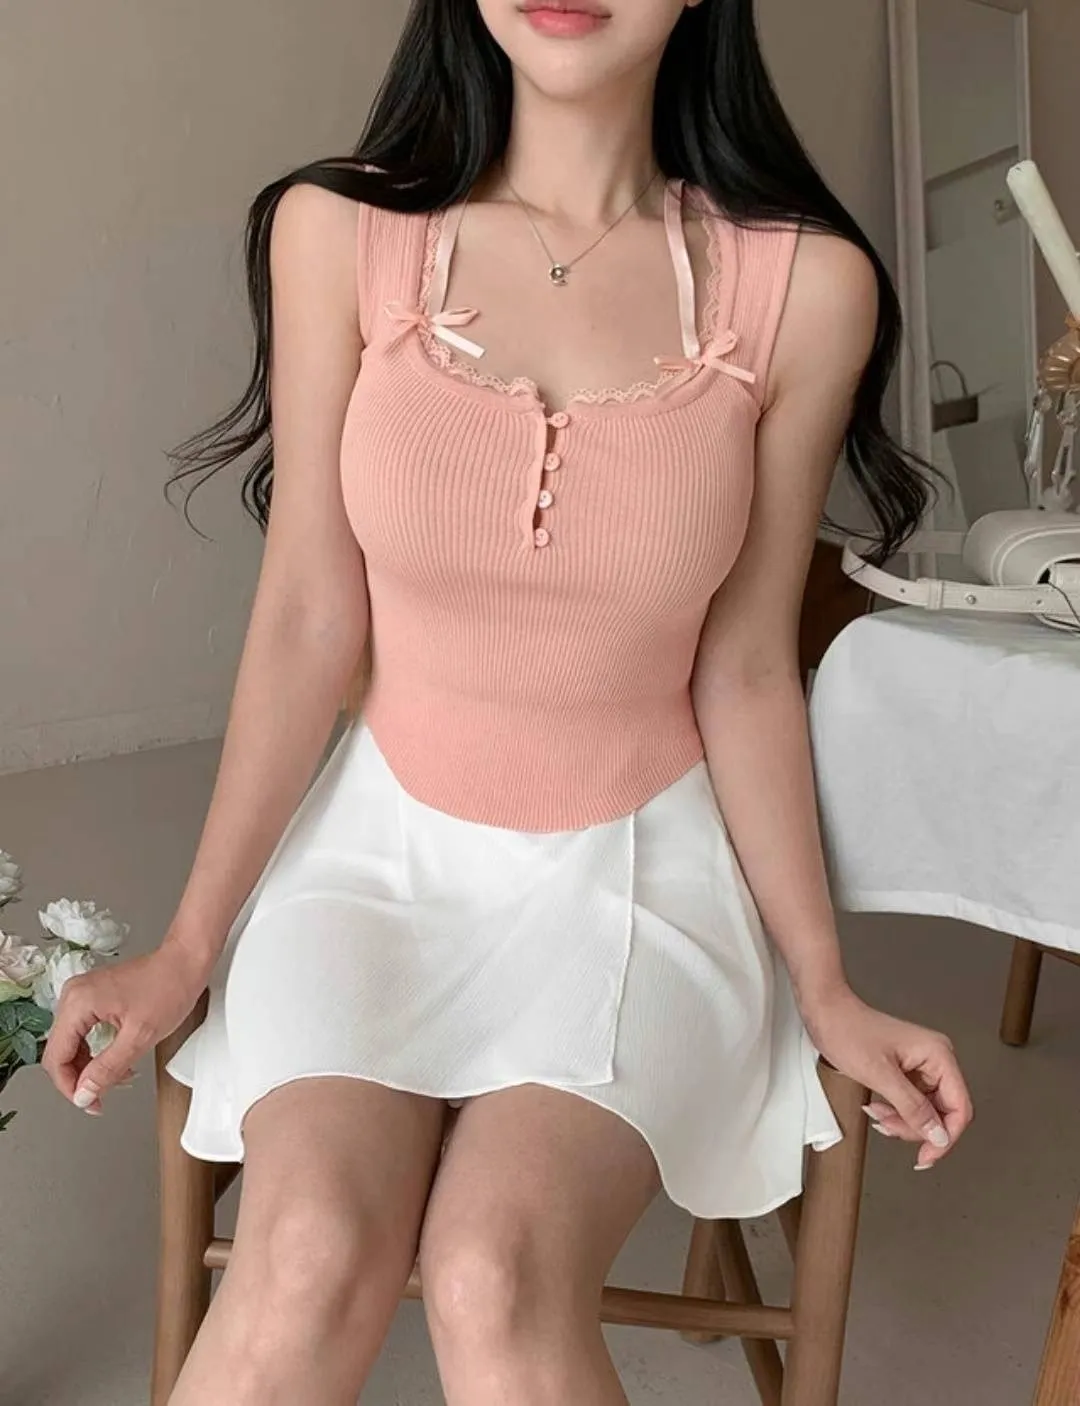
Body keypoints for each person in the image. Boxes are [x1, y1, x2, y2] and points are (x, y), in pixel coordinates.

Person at [42, 1, 974, 1402]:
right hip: (372, 855)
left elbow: (743, 665)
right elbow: (308, 614)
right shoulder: (337, 235)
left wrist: (823, 983)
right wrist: (187, 942)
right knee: (305, 1251)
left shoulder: (806, 289)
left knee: (495, 1270)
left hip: (641, 872)